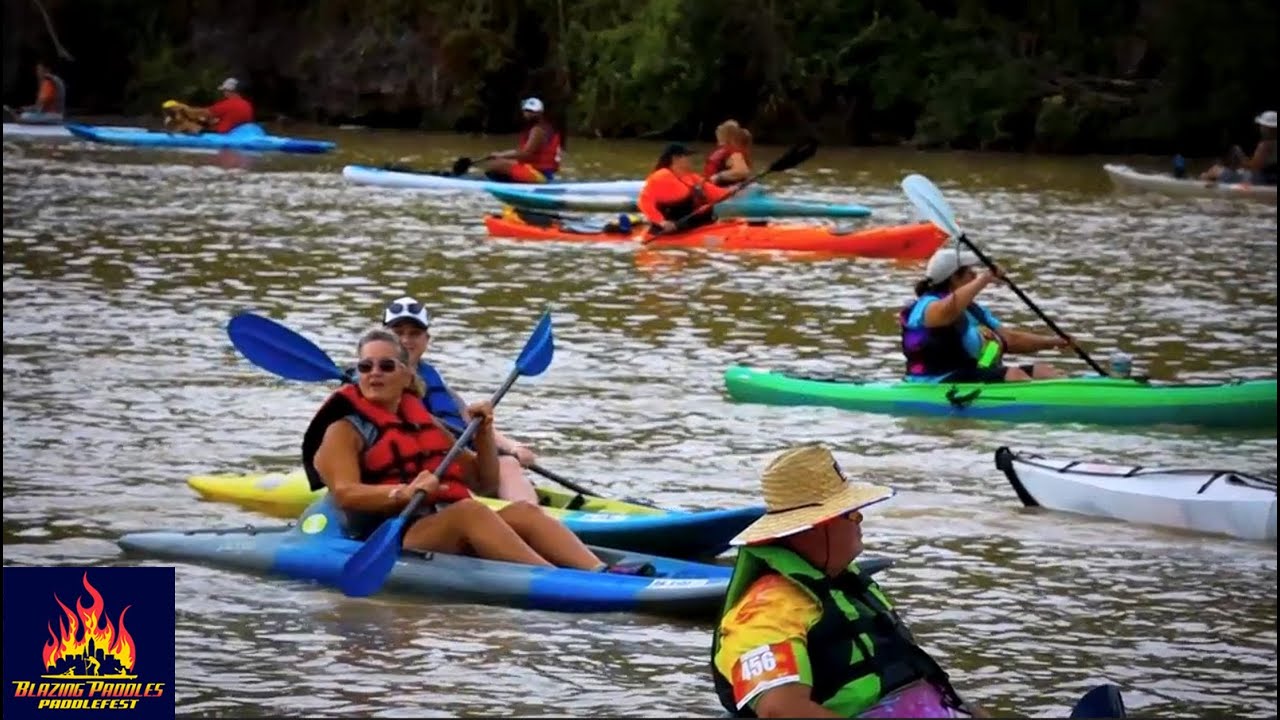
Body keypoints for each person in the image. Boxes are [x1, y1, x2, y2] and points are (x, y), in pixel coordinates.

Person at [302, 327, 654, 574]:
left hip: (440, 520)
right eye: (365, 367)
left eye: (385, 365)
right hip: (385, 535)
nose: (374, 373)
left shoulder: (422, 420)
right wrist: (402, 493)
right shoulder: (343, 429)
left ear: (407, 375)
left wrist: (484, 433)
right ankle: (562, 578)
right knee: (470, 512)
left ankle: (600, 569)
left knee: (523, 512)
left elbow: (484, 481)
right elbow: (346, 493)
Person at [711, 444, 986, 718]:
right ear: (817, 526)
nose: (860, 518)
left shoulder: (845, 585)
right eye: (850, 513)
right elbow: (780, 710)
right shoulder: (765, 612)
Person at [378, 296, 540, 504]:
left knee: (508, 462)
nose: (406, 340)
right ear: (382, 339)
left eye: (414, 333)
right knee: (503, 465)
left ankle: (531, 515)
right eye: (398, 333)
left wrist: (512, 446)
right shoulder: (373, 380)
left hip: (461, 456)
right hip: (421, 463)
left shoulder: (434, 382)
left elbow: (471, 422)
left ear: (426, 340)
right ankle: (524, 518)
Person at [899, 248, 1071, 383]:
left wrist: (1054, 342)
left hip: (973, 372)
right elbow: (946, 313)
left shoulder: (974, 310)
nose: (974, 275)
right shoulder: (926, 305)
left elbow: (1010, 340)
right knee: (1014, 375)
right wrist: (984, 279)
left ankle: (1073, 398)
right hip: (934, 380)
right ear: (953, 278)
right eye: (969, 273)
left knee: (1043, 371)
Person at [637, 143, 735, 234]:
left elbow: (717, 193)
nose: (691, 160)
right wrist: (662, 222)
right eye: (687, 156)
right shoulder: (661, 177)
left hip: (699, 227)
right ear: (675, 158)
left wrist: (732, 191)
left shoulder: (691, 177)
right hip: (671, 233)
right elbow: (643, 201)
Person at [481, 97, 563, 183]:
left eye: (532, 111)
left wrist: (501, 155)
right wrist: (500, 155)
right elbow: (522, 153)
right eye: (526, 110)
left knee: (495, 165)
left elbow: (525, 153)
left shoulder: (538, 130)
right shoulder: (543, 127)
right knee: (500, 162)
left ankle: (501, 185)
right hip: (538, 171)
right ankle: (507, 183)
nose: (528, 113)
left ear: (540, 113)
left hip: (540, 175)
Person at [1200, 111, 1278, 185]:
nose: (1261, 128)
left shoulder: (1265, 145)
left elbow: (1253, 167)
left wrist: (1240, 157)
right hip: (1269, 179)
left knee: (1214, 170)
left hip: (1258, 180)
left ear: (1267, 128)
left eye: (1262, 126)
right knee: (1217, 171)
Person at [185, 78, 254, 134]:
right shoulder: (247, 105)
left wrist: (187, 109)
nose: (223, 93)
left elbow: (205, 112)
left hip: (222, 133)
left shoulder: (226, 104)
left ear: (228, 91)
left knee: (188, 125)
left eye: (224, 90)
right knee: (212, 121)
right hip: (238, 131)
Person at [704, 120, 753, 187]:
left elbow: (742, 171)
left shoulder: (733, 151)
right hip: (711, 188)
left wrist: (718, 176)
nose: (718, 128)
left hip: (723, 190)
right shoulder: (724, 150)